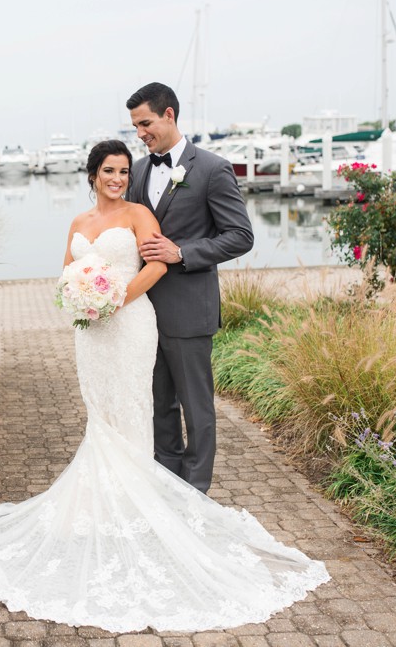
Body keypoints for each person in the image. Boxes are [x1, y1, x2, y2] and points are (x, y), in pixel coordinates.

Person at [0, 140, 327, 633]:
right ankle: (104, 500)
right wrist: (78, 299)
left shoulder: (141, 213)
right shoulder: (78, 223)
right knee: (100, 412)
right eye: (109, 171)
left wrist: (113, 299)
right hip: (92, 331)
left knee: (133, 406)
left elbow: (157, 265)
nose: (118, 178)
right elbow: (66, 272)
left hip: (129, 320)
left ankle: (144, 505)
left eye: (123, 170)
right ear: (93, 174)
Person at [125, 82, 254, 494]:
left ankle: (196, 493)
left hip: (189, 308)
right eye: (134, 126)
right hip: (144, 310)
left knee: (197, 409)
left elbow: (240, 236)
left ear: (169, 115)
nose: (140, 133)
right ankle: (168, 483)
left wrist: (180, 252)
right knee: (159, 405)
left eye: (145, 123)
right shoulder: (140, 170)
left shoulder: (213, 169)